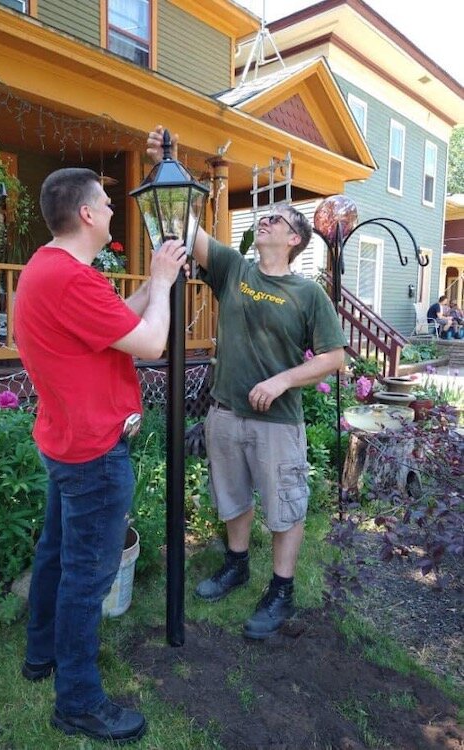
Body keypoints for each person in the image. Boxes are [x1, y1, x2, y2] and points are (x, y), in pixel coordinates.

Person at [147, 126, 346, 640]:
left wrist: (282, 380)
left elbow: (334, 358)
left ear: (294, 238)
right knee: (231, 496)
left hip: (276, 422)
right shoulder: (235, 268)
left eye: (275, 219)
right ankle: (236, 564)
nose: (264, 221)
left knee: (283, 506)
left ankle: (281, 589)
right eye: (263, 217)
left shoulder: (308, 294)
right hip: (226, 412)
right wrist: (166, 165)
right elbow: (187, 228)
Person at [14, 167, 187, 743]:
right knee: (86, 580)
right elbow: (150, 341)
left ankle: (42, 657)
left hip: (64, 442)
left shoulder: (50, 269)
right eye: (107, 203)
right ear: (86, 214)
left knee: (57, 554)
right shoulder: (71, 280)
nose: (114, 210)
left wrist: (151, 285)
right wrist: (161, 281)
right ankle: (79, 702)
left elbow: (117, 320)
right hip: (92, 453)